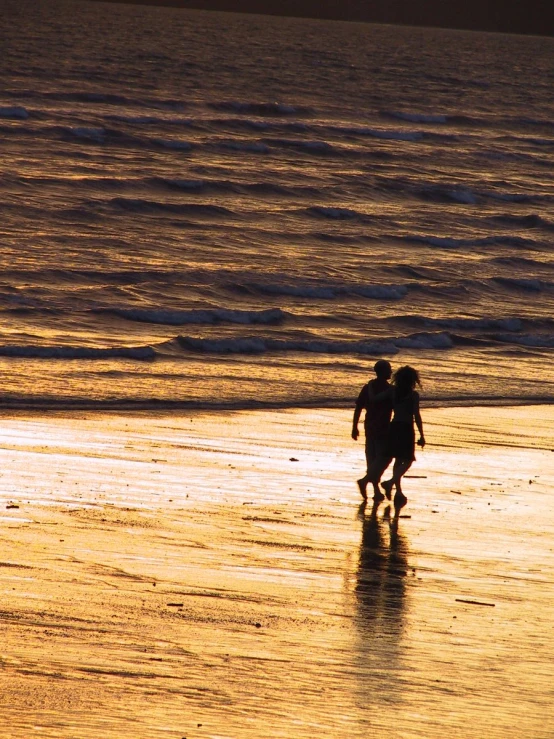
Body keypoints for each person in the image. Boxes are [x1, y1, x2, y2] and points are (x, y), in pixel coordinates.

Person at [370, 365, 425, 512]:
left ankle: (398, 491)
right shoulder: (413, 396)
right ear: (413, 380)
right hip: (407, 429)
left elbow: (374, 399)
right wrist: (422, 435)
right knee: (407, 460)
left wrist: (370, 386)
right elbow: (416, 416)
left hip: (394, 427)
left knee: (398, 460)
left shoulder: (392, 392)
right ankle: (390, 483)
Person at [352, 360, 393, 500]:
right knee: (382, 458)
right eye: (389, 369)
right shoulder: (389, 390)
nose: (391, 372)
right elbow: (359, 407)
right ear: (383, 372)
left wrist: (354, 427)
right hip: (382, 427)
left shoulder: (369, 387)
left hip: (369, 426)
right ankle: (368, 483)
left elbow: (358, 408)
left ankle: (375, 490)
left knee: (372, 458)